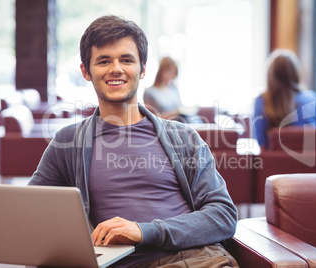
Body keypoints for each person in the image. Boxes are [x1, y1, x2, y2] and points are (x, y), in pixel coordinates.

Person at [28, 15, 238, 268]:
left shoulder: (184, 138)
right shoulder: (67, 143)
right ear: (85, 71)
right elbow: (32, 216)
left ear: (143, 68)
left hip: (189, 260)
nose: (116, 68)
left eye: (126, 60)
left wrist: (144, 231)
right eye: (104, 61)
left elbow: (223, 215)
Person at [253, 49, 316, 149]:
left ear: (270, 75)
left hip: (274, 162)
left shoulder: (261, 101)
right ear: (296, 73)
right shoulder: (309, 99)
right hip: (308, 161)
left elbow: (262, 145)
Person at [143, 57, 200, 123]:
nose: (171, 76)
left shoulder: (174, 89)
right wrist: (173, 114)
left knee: (193, 119)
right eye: (169, 71)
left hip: (181, 121)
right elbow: (151, 119)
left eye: (173, 73)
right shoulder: (149, 92)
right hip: (166, 125)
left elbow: (179, 106)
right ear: (161, 71)